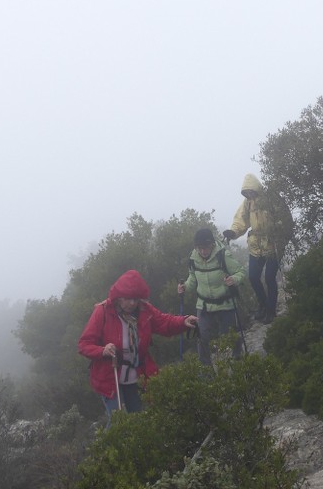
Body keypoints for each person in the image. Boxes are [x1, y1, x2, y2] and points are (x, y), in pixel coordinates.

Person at [78, 269, 197, 424]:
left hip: (136, 374)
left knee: (138, 420)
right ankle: (107, 447)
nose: (132, 303)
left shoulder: (144, 310)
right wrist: (103, 350)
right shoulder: (103, 311)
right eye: (128, 299)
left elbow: (163, 322)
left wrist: (183, 321)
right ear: (119, 297)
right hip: (110, 375)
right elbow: (84, 344)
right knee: (117, 422)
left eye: (135, 299)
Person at [223, 173, 293, 324]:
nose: (248, 194)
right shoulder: (248, 203)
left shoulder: (271, 198)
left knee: (269, 277)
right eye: (246, 192)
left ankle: (271, 310)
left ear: (255, 188)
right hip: (256, 245)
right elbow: (240, 220)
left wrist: (281, 236)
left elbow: (285, 218)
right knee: (253, 276)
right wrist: (233, 232)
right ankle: (263, 305)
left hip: (274, 244)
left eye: (250, 191)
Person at [178, 228, 246, 365]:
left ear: (212, 244)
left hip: (225, 304)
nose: (203, 251)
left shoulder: (223, 255)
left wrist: (234, 279)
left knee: (231, 336)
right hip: (204, 305)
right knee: (202, 337)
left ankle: (239, 364)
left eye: (206, 247)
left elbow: (241, 272)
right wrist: (185, 286)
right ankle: (206, 372)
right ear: (196, 247)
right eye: (200, 248)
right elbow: (193, 278)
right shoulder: (193, 259)